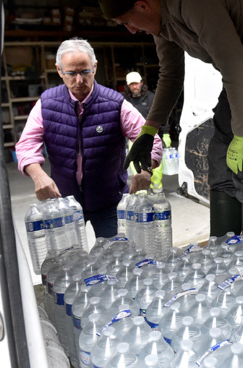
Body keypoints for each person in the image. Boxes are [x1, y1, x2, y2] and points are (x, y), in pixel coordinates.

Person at [98, 0, 243, 237]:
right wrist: (149, 130)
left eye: (127, 22)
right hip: (241, 66)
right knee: (219, 161)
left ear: (144, 6)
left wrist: (241, 135)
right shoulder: (160, 23)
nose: (131, 30)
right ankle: (224, 253)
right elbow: (171, 75)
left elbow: (235, 67)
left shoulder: (193, 5)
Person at [15, 37, 163, 238]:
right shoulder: (46, 104)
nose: (79, 80)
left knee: (116, 260)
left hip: (109, 201)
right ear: (59, 70)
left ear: (94, 67)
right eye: (71, 73)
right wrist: (38, 175)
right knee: (66, 261)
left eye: (85, 72)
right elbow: (26, 145)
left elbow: (151, 139)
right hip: (64, 202)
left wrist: (146, 171)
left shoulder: (115, 104)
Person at [123, 71, 171, 193]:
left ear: (141, 83)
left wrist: (165, 133)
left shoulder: (151, 97)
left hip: (152, 136)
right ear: (128, 86)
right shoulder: (125, 101)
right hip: (134, 138)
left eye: (137, 83)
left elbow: (162, 114)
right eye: (132, 84)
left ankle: (157, 188)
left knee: (155, 166)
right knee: (137, 167)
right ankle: (142, 192)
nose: (135, 86)